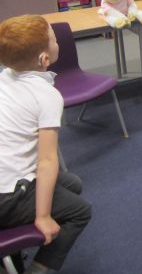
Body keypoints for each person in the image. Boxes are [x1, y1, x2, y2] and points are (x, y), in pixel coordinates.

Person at [0, 15, 91, 273]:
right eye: (54, 38)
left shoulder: (5, 77)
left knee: (73, 184)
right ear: (44, 59)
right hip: (6, 197)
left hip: (7, 181)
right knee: (80, 212)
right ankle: (37, 269)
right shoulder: (46, 96)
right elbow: (48, 160)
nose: (57, 41)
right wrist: (42, 216)